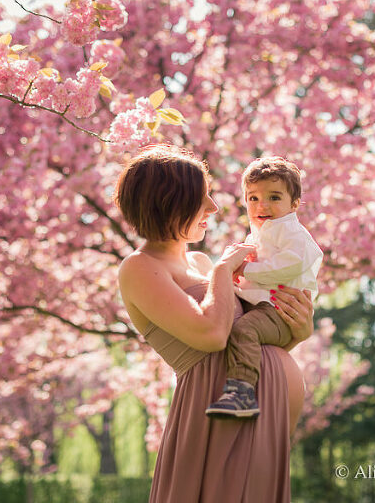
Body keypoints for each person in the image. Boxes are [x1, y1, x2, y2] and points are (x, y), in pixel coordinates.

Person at [115, 144, 315, 502]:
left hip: (263, 414)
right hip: (215, 416)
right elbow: (212, 335)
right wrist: (224, 270)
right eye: (202, 198)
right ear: (169, 202)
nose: (214, 207)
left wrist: (298, 333)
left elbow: (248, 339)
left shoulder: (203, 264)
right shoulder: (140, 267)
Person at [205, 157, 322, 419]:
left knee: (244, 329)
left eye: (274, 197)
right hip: (263, 304)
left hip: (279, 311)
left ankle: (242, 391)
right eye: (253, 198)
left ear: (294, 204)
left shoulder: (293, 233)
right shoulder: (260, 234)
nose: (262, 205)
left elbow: (287, 266)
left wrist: (245, 269)